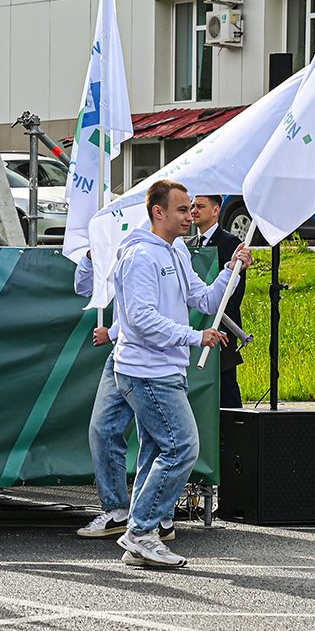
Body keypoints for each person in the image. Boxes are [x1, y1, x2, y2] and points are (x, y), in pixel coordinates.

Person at [109, 180, 250, 568]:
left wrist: (231, 270)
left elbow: (203, 298)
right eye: (183, 210)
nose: (190, 216)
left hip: (164, 369)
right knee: (183, 446)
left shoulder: (175, 252)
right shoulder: (140, 256)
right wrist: (194, 336)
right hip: (146, 371)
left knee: (158, 450)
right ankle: (140, 531)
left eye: (191, 209)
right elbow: (139, 319)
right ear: (158, 212)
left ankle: (141, 537)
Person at [71, 252, 174, 545]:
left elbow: (157, 307)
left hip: (154, 356)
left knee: (155, 437)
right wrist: (91, 255)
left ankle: (157, 518)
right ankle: (119, 510)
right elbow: (84, 287)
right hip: (125, 355)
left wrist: (113, 331)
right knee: (103, 429)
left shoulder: (157, 248)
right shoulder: (116, 234)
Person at [189, 195, 245, 409]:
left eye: (200, 206)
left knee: (226, 385)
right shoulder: (189, 245)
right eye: (192, 206)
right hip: (197, 327)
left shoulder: (230, 243)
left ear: (216, 210)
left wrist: (219, 323)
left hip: (222, 328)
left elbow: (235, 291)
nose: (194, 210)